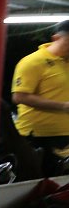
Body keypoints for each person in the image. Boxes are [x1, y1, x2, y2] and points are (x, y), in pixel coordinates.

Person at [11, 20, 69, 165]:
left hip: (65, 136)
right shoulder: (33, 62)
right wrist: (62, 106)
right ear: (56, 38)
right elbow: (19, 96)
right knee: (37, 182)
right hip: (36, 137)